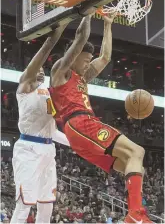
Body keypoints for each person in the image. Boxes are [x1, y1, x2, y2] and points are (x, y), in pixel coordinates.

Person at [49, 12, 153, 224]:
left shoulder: (82, 77)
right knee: (137, 151)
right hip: (79, 123)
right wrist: (87, 13)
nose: (89, 64)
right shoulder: (61, 71)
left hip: (81, 132)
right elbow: (79, 40)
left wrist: (107, 24)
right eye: (86, 59)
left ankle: (136, 213)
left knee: (133, 166)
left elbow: (105, 57)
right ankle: (135, 215)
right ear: (75, 55)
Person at [10, 25, 70, 224]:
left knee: (47, 204)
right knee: (24, 204)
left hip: (48, 149)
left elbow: (53, 132)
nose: (41, 71)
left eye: (44, 70)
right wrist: (53, 38)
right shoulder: (24, 86)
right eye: (38, 69)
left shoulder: (48, 93)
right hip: (28, 149)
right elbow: (38, 61)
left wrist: (77, 143)